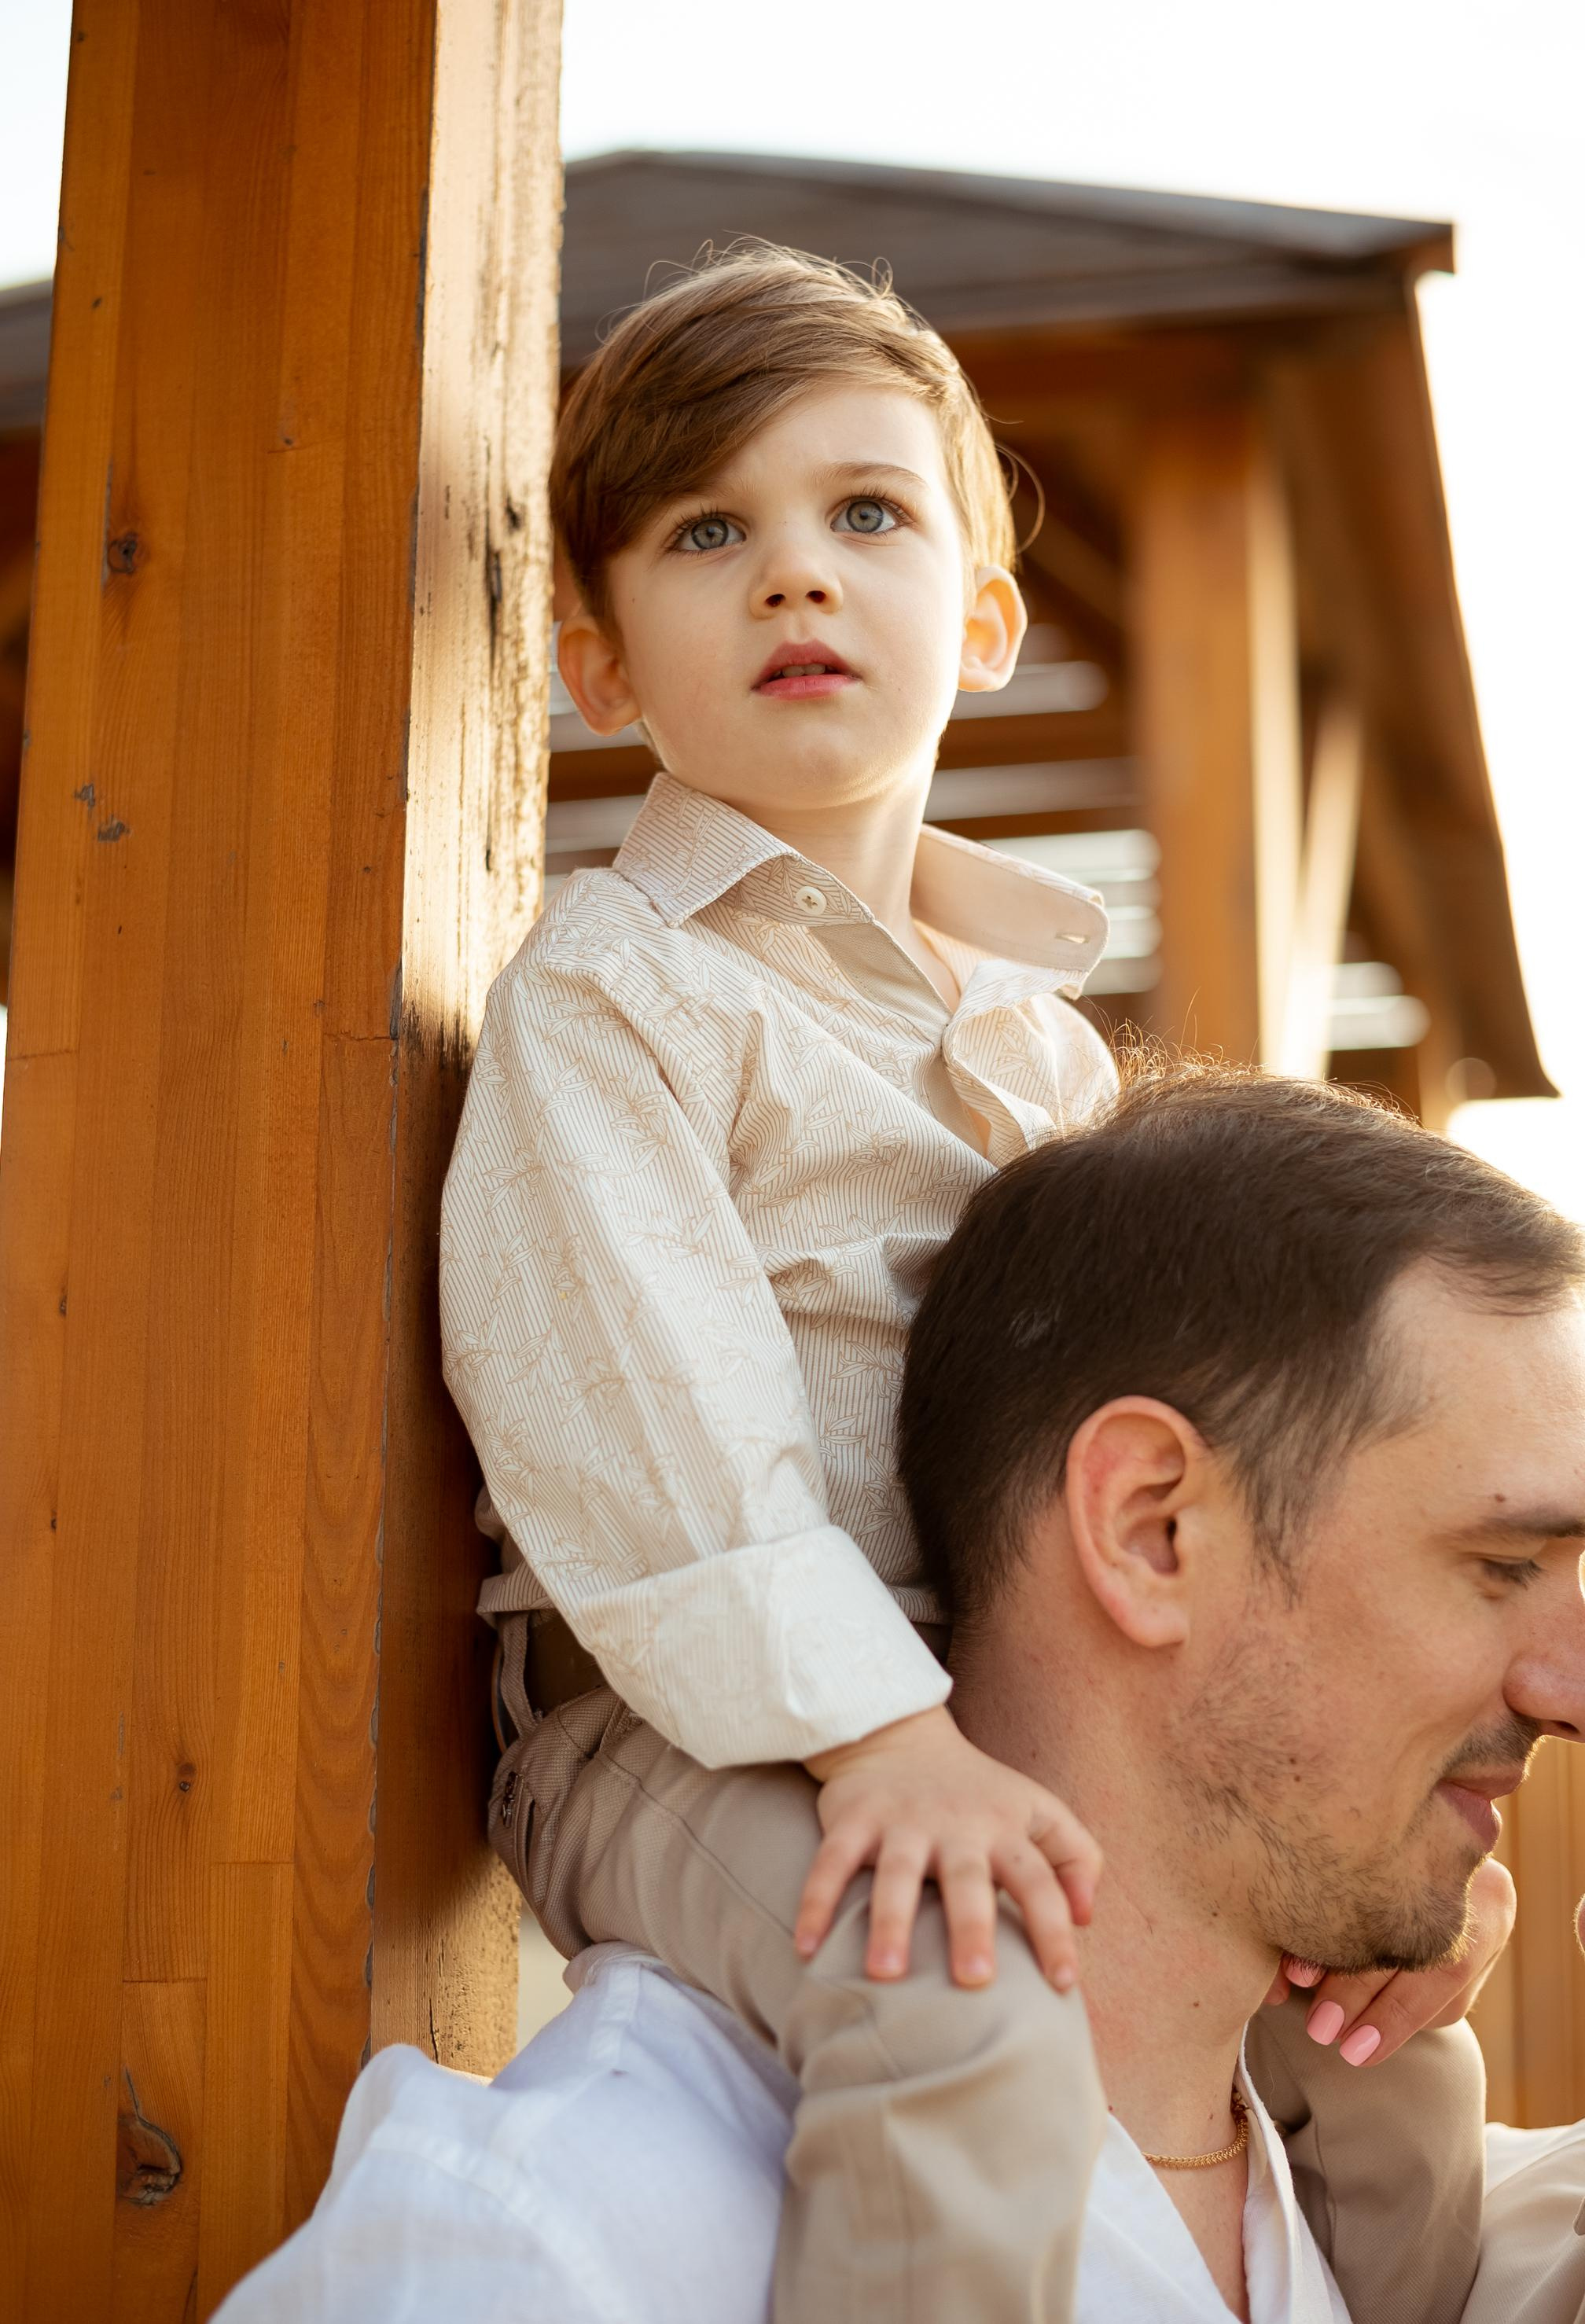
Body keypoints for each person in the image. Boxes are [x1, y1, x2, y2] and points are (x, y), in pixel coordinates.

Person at [438, 246, 1501, 2324]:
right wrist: (881, 1743)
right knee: (966, 2006)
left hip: (1014, 1717)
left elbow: (1191, 1465)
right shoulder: (619, 1001)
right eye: (705, 531)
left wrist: (1351, 1792)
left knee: (1389, 2055)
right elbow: (667, 1445)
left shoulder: (1043, 1058)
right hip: (692, 1732)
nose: (793, 579)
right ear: (601, 661)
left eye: (864, 515)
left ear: (985, 619)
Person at [224, 1065, 1585, 2324]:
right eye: (1502, 1562)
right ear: (1152, 1532)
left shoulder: (1444, 2240)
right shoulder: (558, 2249)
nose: (1571, 1689)